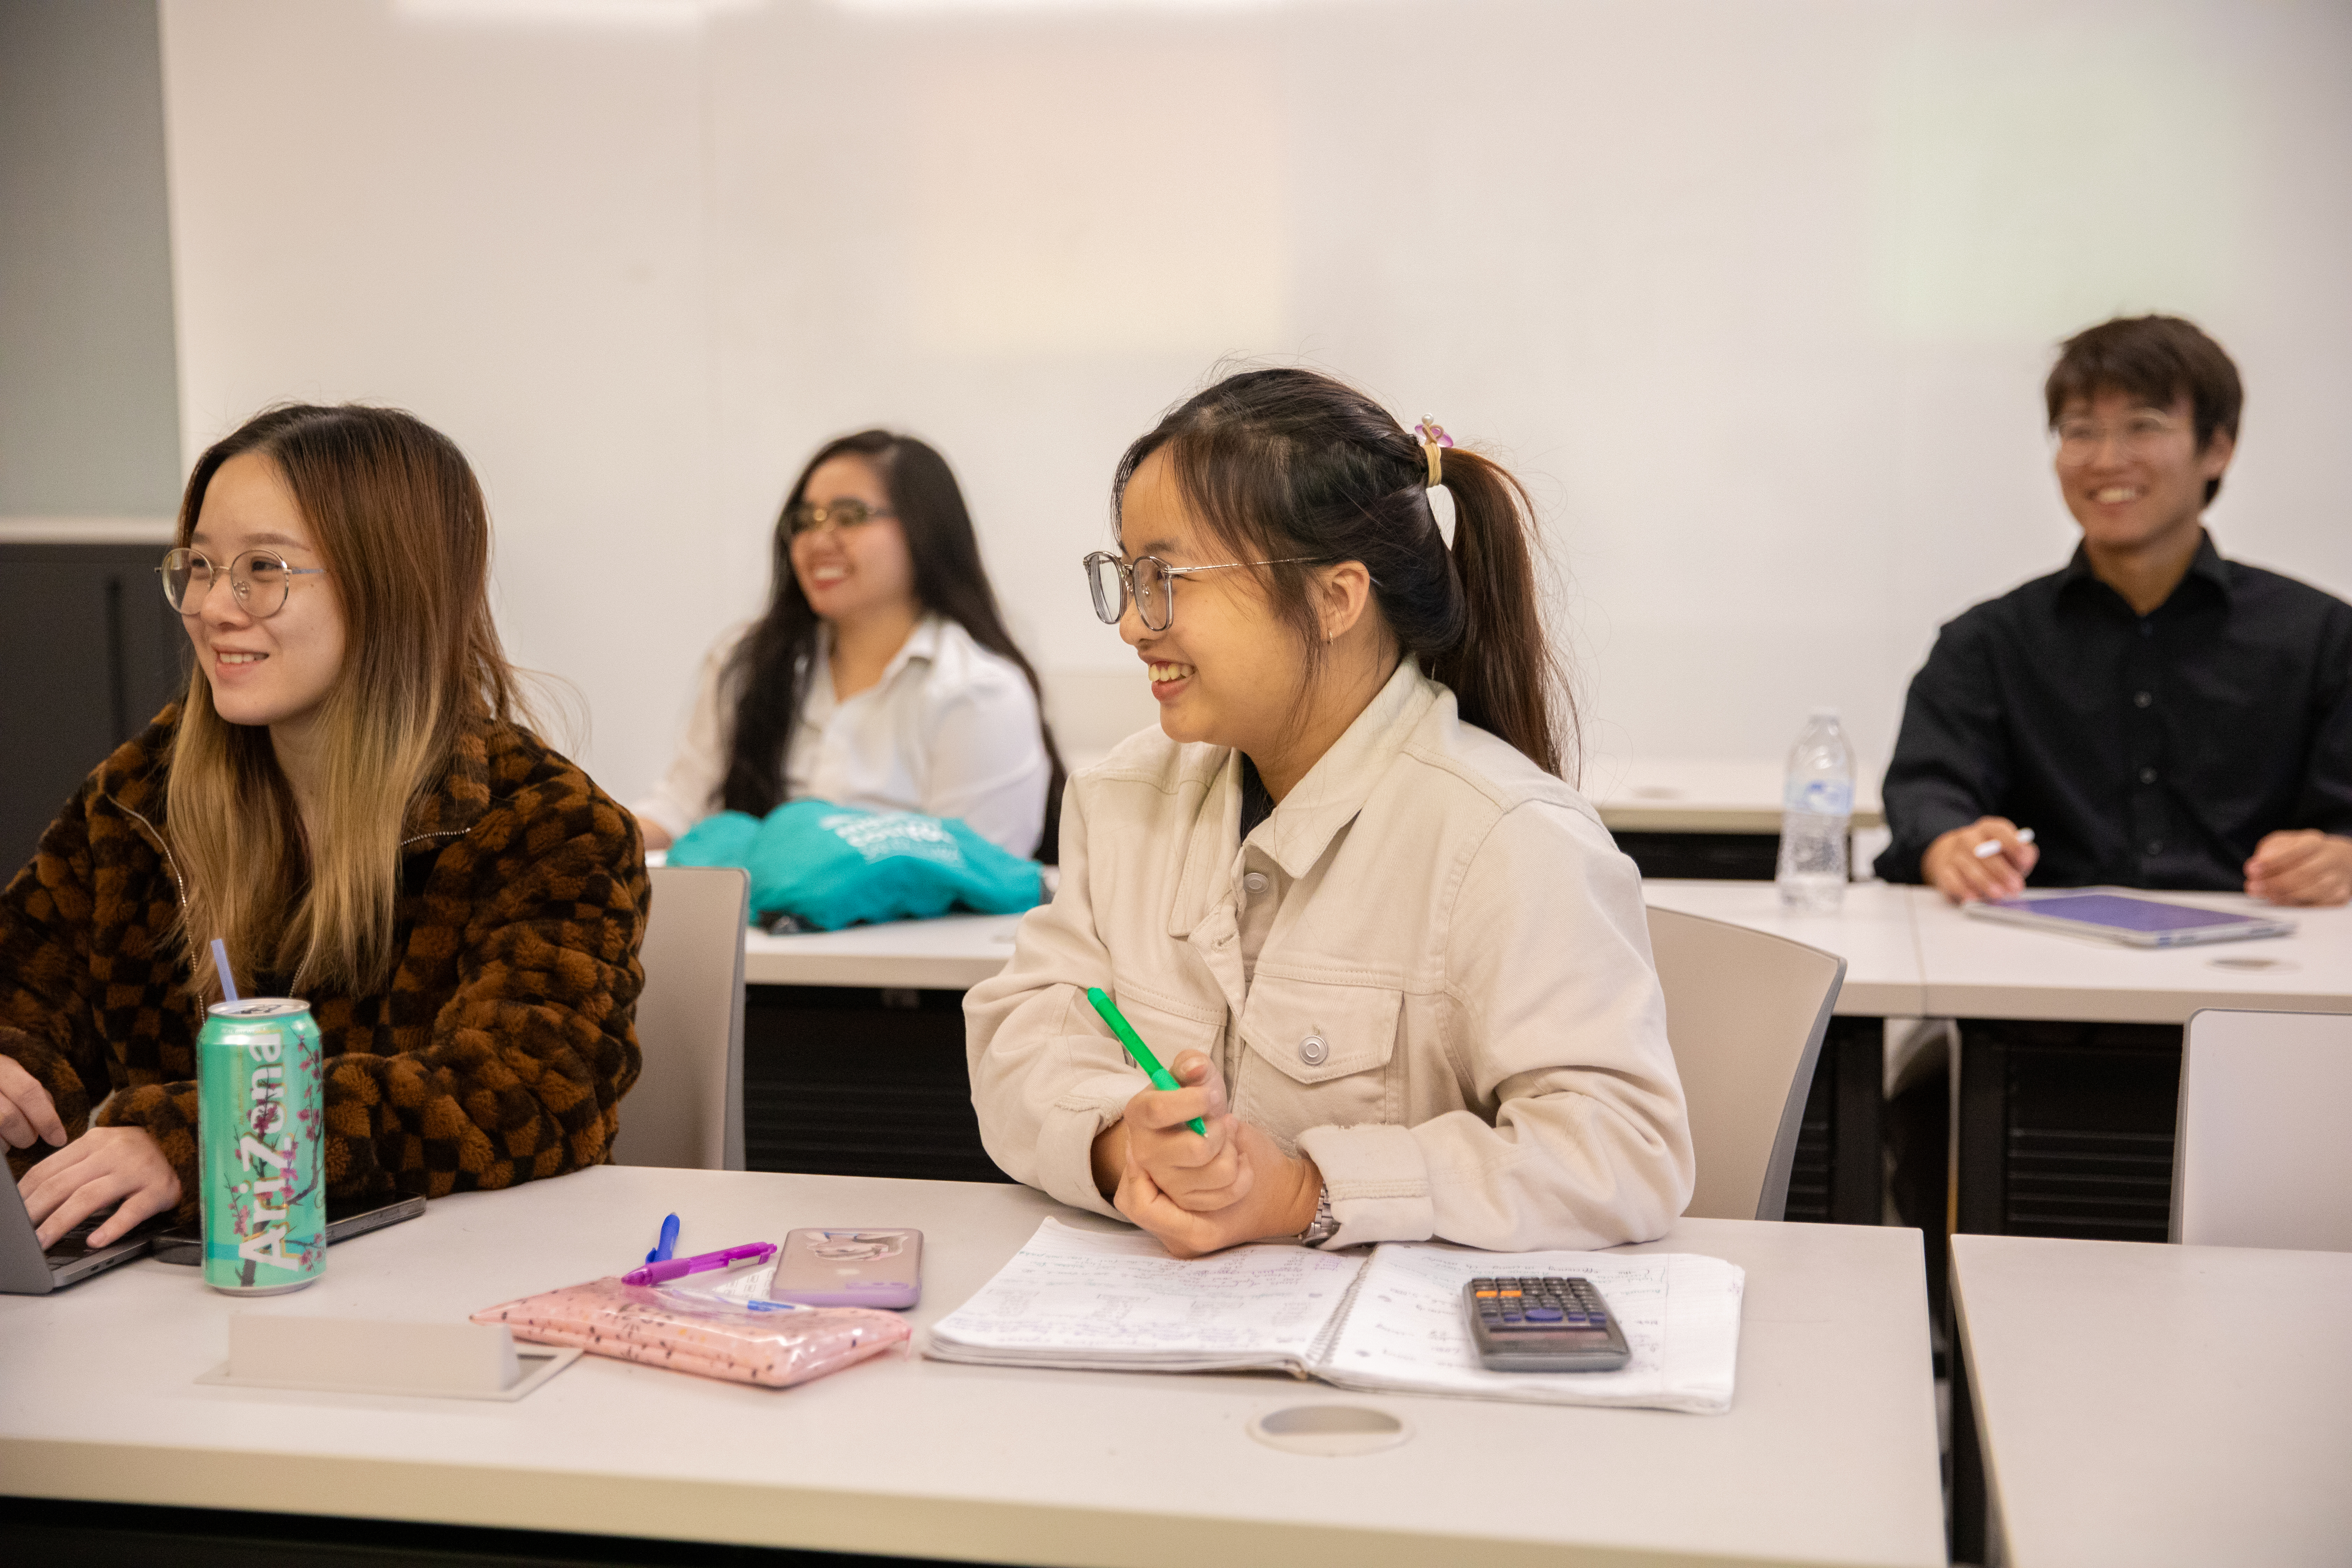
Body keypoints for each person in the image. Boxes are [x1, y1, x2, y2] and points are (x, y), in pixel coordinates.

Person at [966, 369, 1693, 1258]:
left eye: (1167, 577)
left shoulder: (1507, 838)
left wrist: (1305, 1191)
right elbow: (1025, 1032)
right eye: (1128, 576)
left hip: (1403, 1369)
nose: (1133, 624)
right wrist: (1129, 1143)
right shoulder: (1123, 798)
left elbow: (1623, 1152)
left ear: (1336, 597)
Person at [1, 404, 646, 1251]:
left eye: (263, 568)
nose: (212, 608)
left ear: (390, 583)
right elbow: (28, 999)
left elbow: (531, 1091)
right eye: (200, 565)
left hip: (452, 1295)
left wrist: (208, 1140)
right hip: (174, 1304)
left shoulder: (544, 825)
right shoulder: (136, 802)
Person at [1876, 314, 2352, 907]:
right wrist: (1949, 845)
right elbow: (1929, 788)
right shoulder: (1988, 642)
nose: (2106, 460)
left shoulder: (2324, 639)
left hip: (2264, 975)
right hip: (2034, 972)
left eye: (2143, 426)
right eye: (2079, 432)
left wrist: (2341, 858)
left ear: (2218, 448)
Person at [634, 431, 1061, 859]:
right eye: (806, 521)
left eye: (849, 515)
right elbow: (680, 808)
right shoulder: (747, 662)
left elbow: (972, 877)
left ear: (924, 528)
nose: (819, 541)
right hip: (759, 925)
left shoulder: (980, 692)